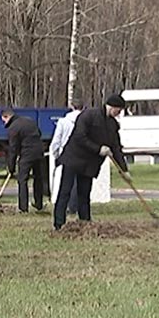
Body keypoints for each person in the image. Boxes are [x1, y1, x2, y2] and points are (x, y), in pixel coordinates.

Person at [53, 94, 131, 230]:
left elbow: (116, 148)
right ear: (112, 107)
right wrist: (98, 149)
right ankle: (59, 224)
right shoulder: (88, 115)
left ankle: (85, 222)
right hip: (73, 158)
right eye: (118, 110)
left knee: (84, 193)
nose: (119, 113)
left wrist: (124, 170)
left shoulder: (113, 125)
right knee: (65, 191)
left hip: (89, 164)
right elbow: (79, 137)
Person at [1, 108, 45, 213]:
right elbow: (39, 133)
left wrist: (11, 167)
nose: (4, 123)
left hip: (27, 154)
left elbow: (13, 149)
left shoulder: (13, 128)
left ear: (7, 117)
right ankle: (39, 204)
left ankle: (23, 207)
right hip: (39, 152)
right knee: (38, 178)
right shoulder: (29, 120)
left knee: (22, 180)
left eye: (3, 120)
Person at [50, 99, 84, 214]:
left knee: (66, 182)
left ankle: (65, 206)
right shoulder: (86, 121)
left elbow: (56, 141)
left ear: (72, 107)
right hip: (82, 154)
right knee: (79, 181)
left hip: (67, 153)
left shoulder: (63, 122)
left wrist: (56, 154)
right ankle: (77, 206)